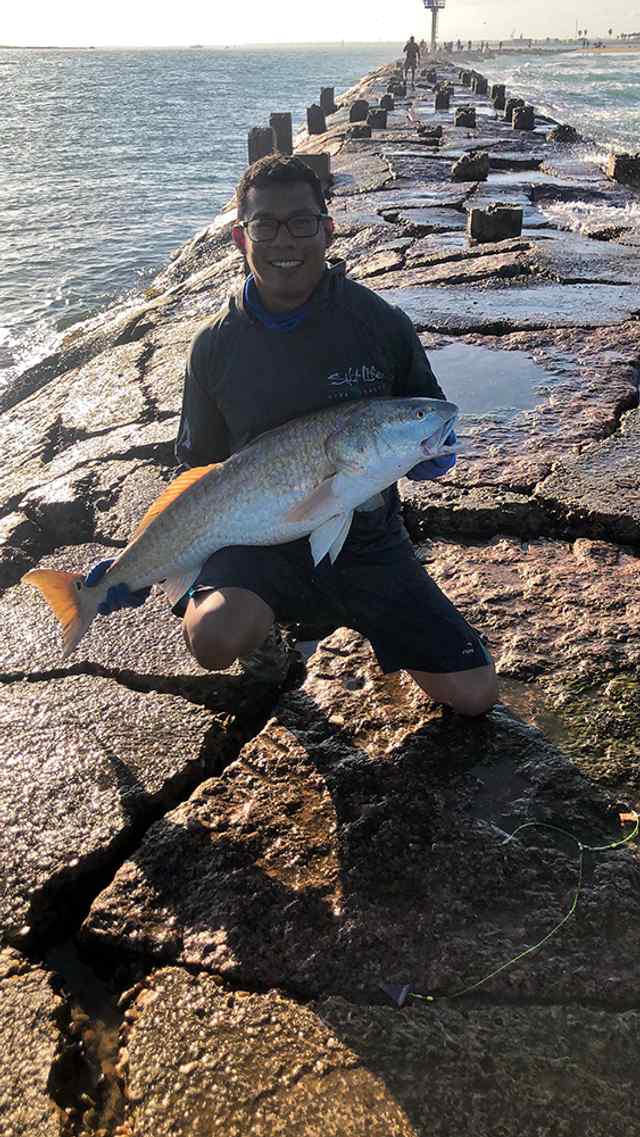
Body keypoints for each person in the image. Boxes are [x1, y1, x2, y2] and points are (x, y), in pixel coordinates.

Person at [88, 155, 497, 717]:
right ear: (239, 236)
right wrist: (143, 562)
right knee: (213, 637)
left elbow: (427, 412)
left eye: (303, 223)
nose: (287, 240)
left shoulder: (380, 324)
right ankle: (266, 644)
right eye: (266, 225)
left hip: (368, 535)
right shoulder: (216, 345)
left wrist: (432, 452)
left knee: (475, 699)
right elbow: (198, 469)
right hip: (255, 540)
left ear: (327, 229)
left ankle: (362, 612)